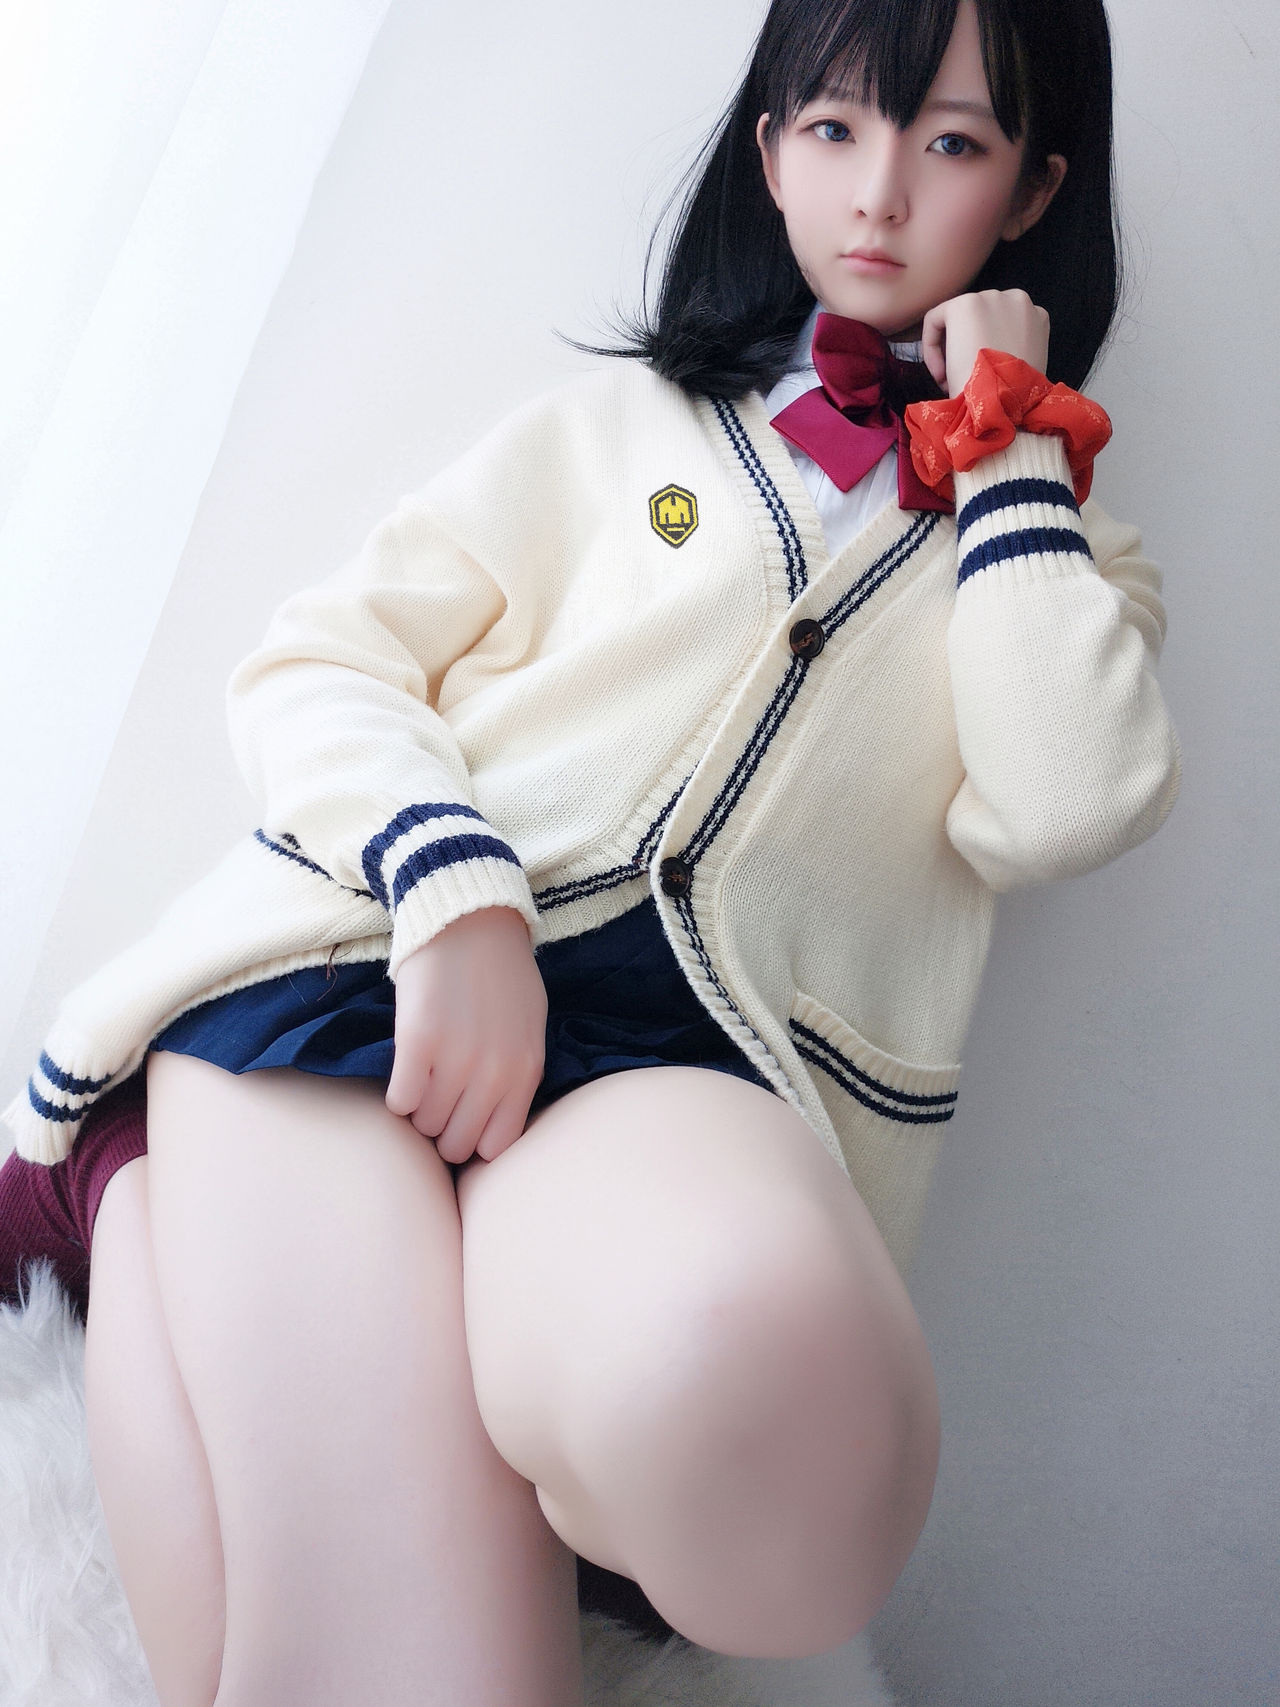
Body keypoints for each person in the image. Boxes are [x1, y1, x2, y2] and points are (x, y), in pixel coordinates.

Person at [0, 0, 1181, 1702]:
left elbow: (1067, 799)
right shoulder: (621, 438)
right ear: (768, 150)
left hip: (685, 1077)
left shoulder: (1062, 558)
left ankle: (150, 1211)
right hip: (363, 986)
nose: (880, 192)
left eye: (951, 142)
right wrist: (455, 892)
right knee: (416, 1661)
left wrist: (1007, 448)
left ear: (1035, 189)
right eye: (835, 127)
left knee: (770, 1417)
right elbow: (324, 659)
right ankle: (149, 1186)